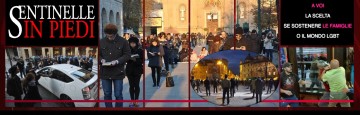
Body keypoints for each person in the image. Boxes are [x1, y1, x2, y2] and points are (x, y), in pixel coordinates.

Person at [100, 24, 131, 107]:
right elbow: (97, 54)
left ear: (115, 34)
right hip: (105, 73)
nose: (109, 38)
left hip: (118, 72)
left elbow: (127, 55)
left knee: (118, 94)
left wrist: (117, 61)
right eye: (108, 36)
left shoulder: (123, 41)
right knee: (107, 94)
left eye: (111, 36)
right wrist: (101, 59)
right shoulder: (101, 41)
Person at [126, 37, 144, 107]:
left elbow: (142, 61)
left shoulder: (140, 50)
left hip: (137, 70)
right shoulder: (127, 51)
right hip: (129, 70)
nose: (132, 45)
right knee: (131, 86)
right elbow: (125, 59)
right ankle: (132, 100)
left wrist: (135, 60)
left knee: (136, 85)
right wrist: (129, 58)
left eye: (134, 43)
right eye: (131, 43)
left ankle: (136, 100)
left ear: (136, 43)